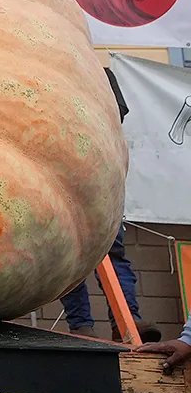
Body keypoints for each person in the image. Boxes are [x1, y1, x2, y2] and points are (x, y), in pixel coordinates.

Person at [59, 67, 160, 342]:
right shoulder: (97, 73)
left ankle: (107, 323)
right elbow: (117, 115)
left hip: (87, 179)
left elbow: (116, 115)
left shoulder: (84, 72)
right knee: (76, 255)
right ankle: (104, 323)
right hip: (86, 178)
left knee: (77, 255)